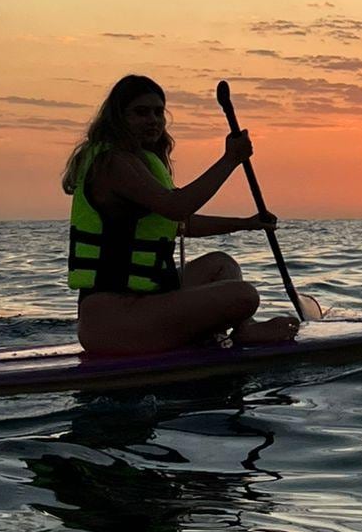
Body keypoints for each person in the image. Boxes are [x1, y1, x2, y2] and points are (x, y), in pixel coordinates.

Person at [62, 74, 300, 355]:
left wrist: (247, 224)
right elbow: (177, 207)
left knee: (221, 265)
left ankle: (242, 328)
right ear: (118, 118)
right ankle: (233, 331)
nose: (153, 120)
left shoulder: (138, 162)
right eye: (141, 112)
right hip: (115, 319)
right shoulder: (112, 163)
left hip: (145, 301)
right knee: (244, 295)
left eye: (158, 112)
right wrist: (230, 160)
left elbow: (179, 222)